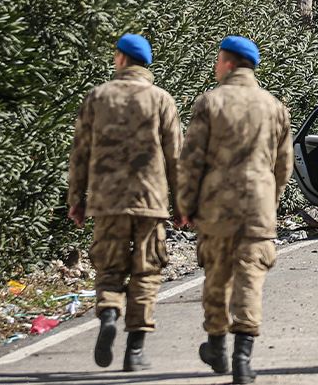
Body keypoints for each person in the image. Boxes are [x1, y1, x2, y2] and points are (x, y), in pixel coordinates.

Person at [176, 37, 291, 385]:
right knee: (250, 280)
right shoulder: (274, 107)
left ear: (228, 63)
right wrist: (270, 201)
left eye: (217, 60)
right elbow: (283, 166)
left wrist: (186, 205)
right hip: (257, 208)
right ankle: (243, 359)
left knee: (216, 278)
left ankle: (216, 348)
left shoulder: (209, 103)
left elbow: (191, 160)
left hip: (216, 208)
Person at [67, 33, 181, 371]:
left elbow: (80, 153)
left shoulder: (97, 97)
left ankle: (109, 316)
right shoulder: (162, 100)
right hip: (150, 201)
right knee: (147, 271)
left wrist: (77, 199)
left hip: (107, 201)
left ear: (120, 59)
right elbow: (176, 156)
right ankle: (135, 350)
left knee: (109, 266)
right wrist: (183, 204)